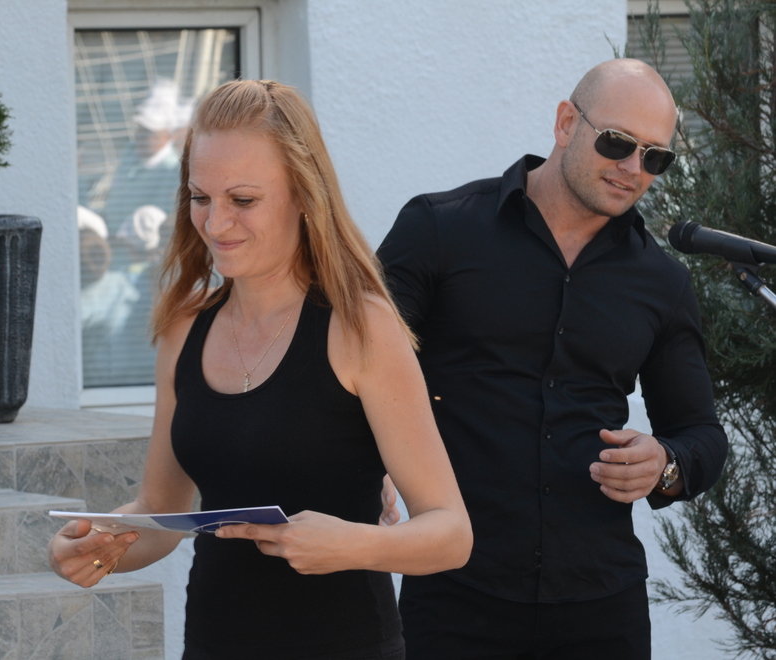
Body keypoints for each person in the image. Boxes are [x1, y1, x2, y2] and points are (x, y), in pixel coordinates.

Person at [50, 79, 472, 660]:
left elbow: (451, 533)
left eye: (243, 200)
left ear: (304, 195)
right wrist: (98, 546)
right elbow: (160, 510)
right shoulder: (184, 327)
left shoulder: (360, 326)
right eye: (200, 197)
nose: (215, 223)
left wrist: (351, 545)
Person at [377, 58, 729, 659]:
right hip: (455, 589)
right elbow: (356, 368)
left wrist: (664, 464)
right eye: (617, 142)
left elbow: (701, 434)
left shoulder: (662, 281)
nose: (633, 168)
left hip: (601, 602)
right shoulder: (439, 229)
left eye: (655, 157)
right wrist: (375, 465)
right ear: (567, 123)